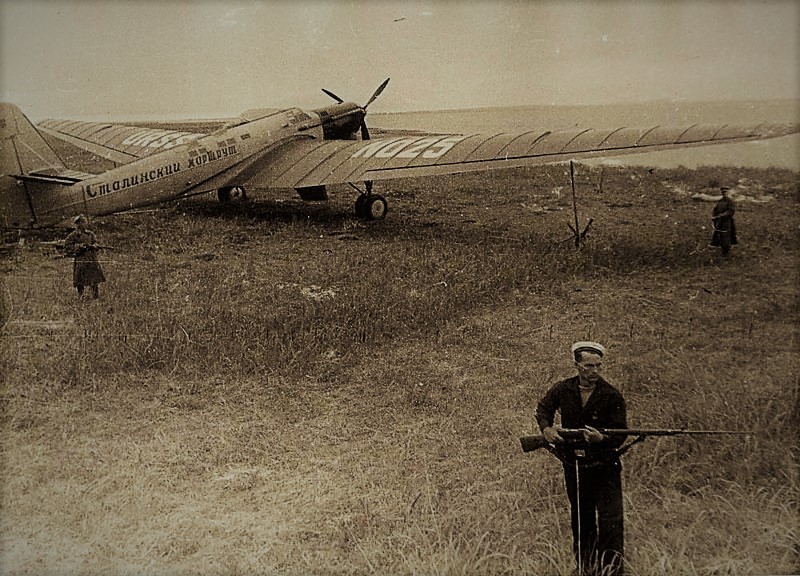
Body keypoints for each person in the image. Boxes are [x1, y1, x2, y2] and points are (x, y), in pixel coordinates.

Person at [536, 341, 627, 576]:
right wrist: (547, 429)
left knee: (610, 521)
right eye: (589, 366)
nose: (594, 371)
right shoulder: (563, 389)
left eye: (598, 366)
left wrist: (601, 439)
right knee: (581, 518)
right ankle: (585, 568)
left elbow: (620, 434)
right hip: (575, 466)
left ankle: (612, 570)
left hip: (605, 466)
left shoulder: (611, 395)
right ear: (577, 366)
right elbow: (543, 408)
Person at [64, 214, 106, 299]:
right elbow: (67, 246)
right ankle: (81, 296)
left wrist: (95, 246)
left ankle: (95, 296)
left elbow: (95, 242)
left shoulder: (90, 234)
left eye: (85, 222)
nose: (85, 224)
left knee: (94, 277)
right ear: (78, 224)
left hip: (91, 257)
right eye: (83, 222)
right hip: (81, 258)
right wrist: (79, 247)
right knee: (79, 278)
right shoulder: (73, 235)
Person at [710, 186, 737, 256]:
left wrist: (721, 215)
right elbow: (715, 209)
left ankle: (726, 252)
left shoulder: (730, 201)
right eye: (723, 192)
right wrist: (714, 215)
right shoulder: (720, 201)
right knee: (719, 235)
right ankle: (722, 251)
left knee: (726, 236)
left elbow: (730, 211)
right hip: (719, 221)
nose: (724, 193)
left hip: (727, 222)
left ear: (728, 192)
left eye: (725, 192)